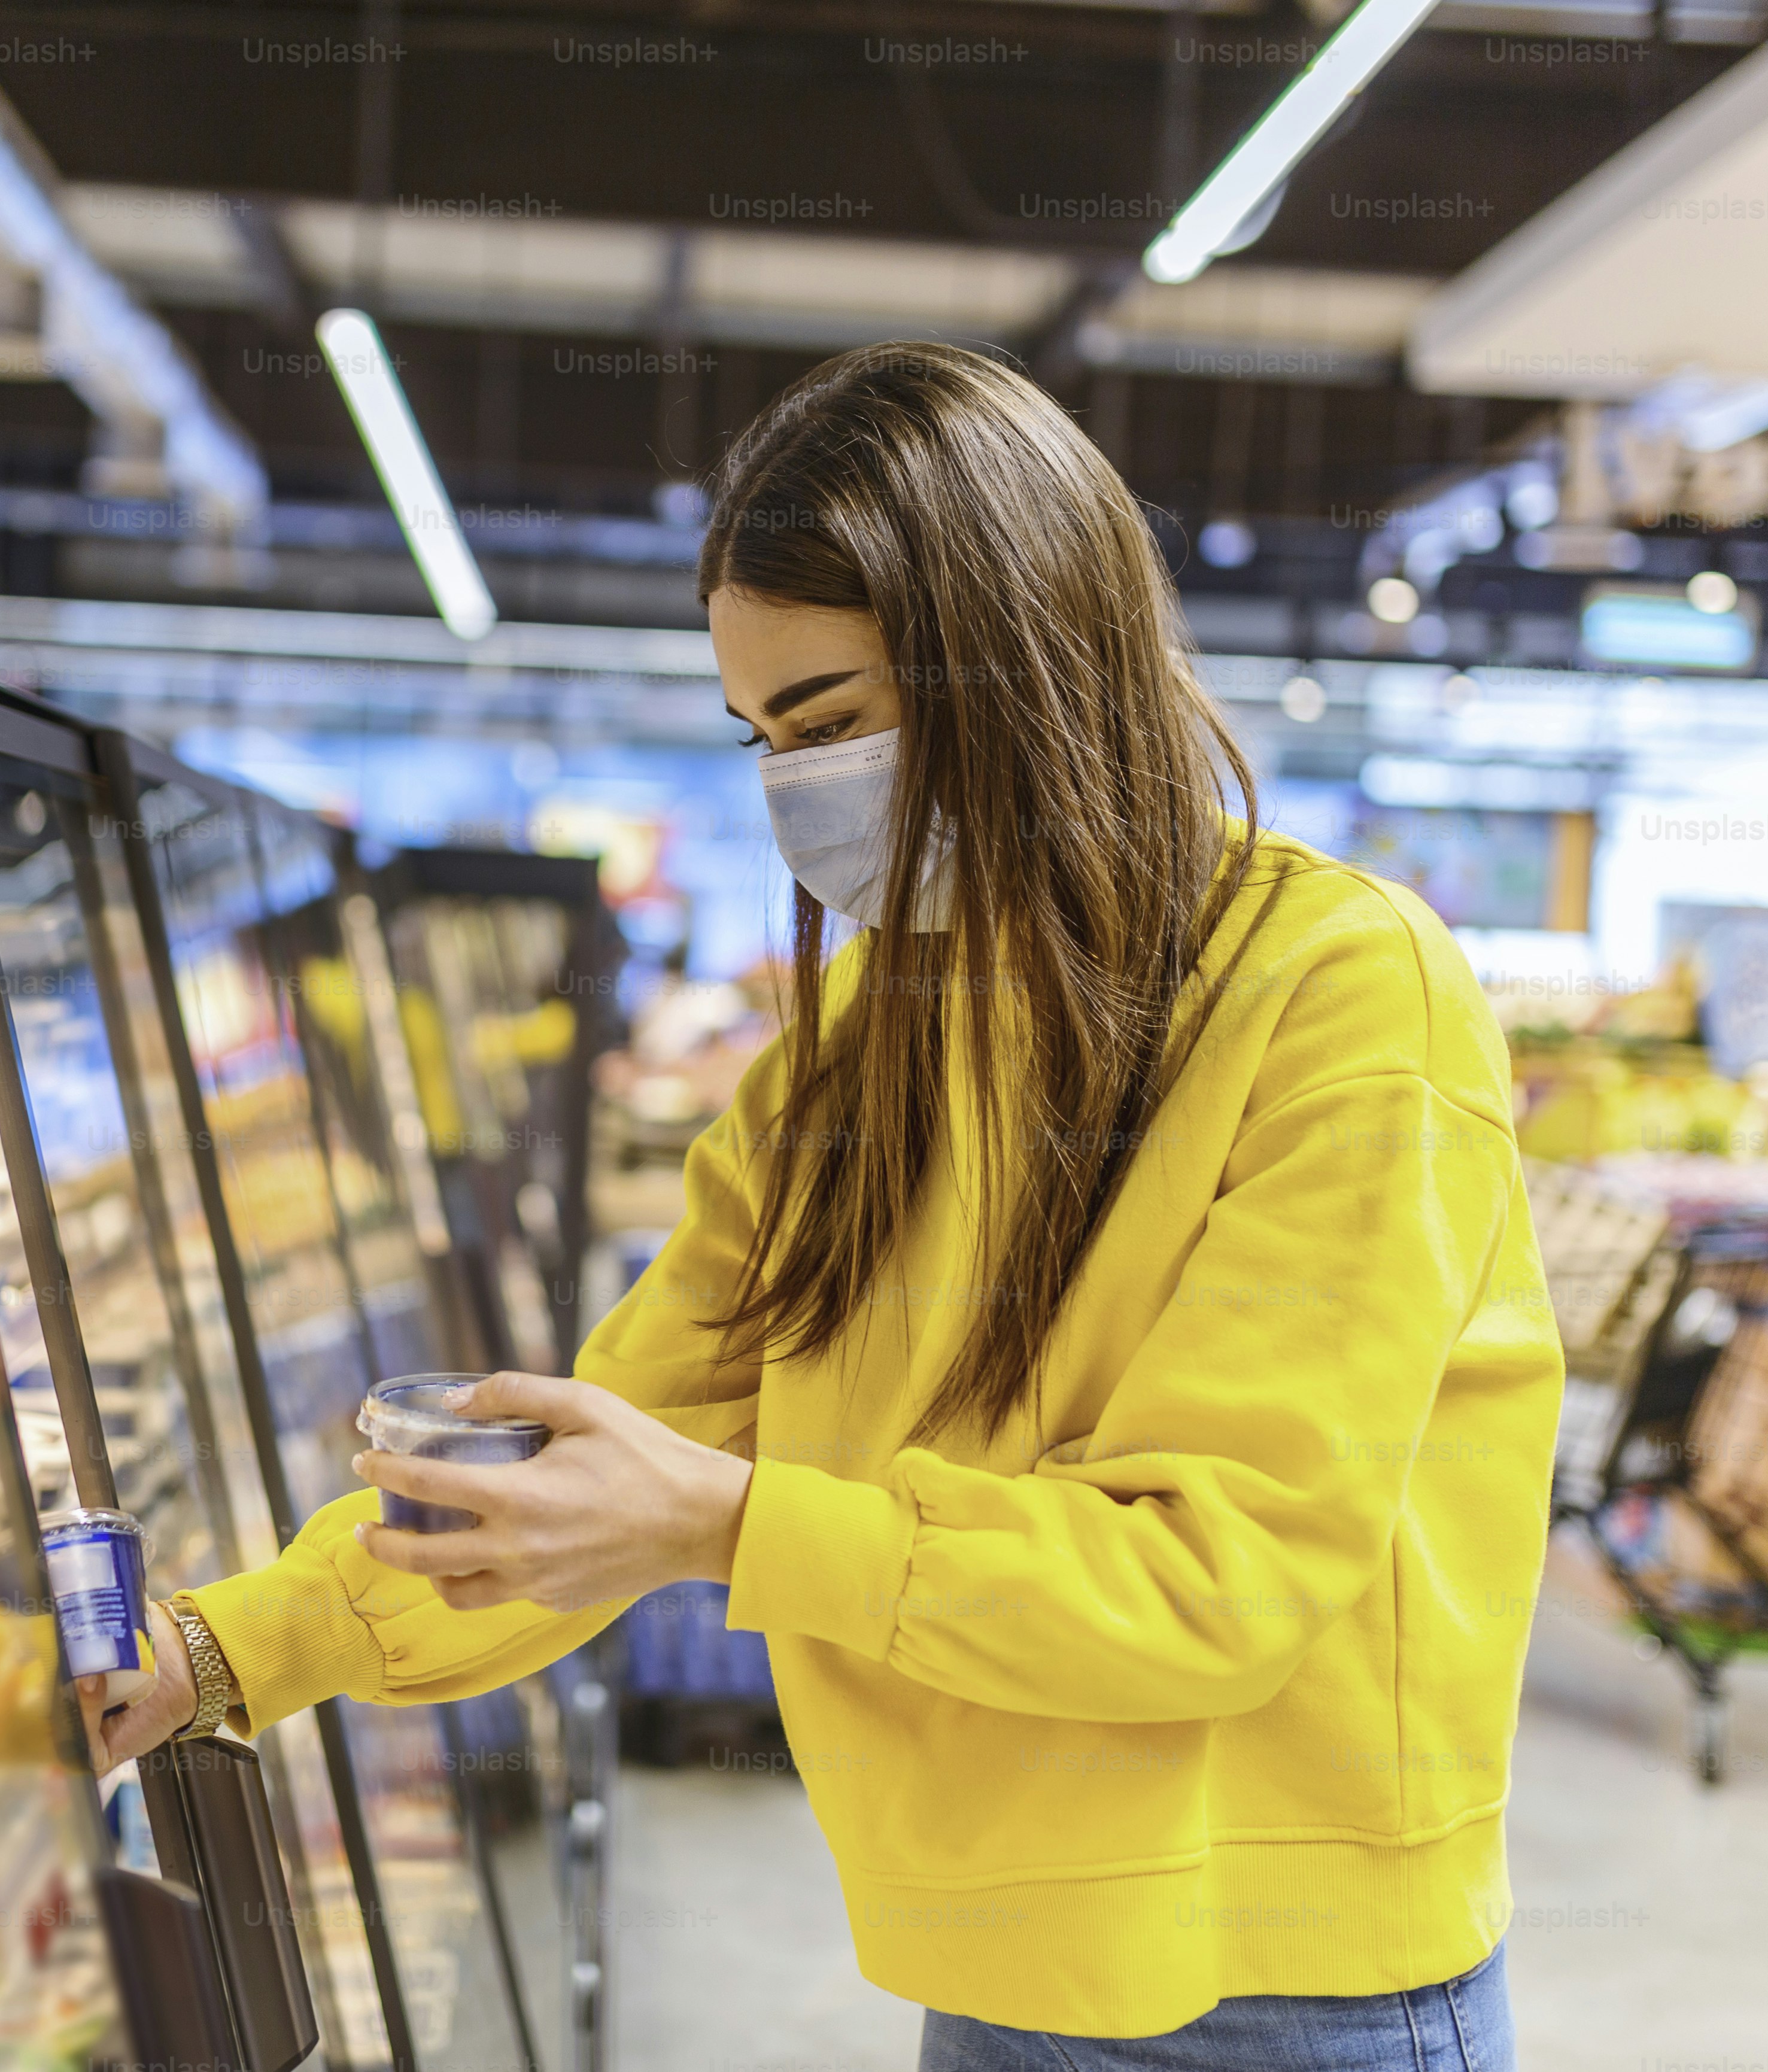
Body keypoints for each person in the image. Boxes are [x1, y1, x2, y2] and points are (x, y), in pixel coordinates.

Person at [90, 341, 1563, 2070]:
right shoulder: (857, 1049)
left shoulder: (1338, 995)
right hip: (996, 1963)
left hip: (1285, 1992)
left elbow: (1212, 1579)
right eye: (761, 736)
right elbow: (600, 1457)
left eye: (834, 722)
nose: (793, 790)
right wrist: (216, 1651)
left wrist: (722, 1528)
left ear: (1031, 658)